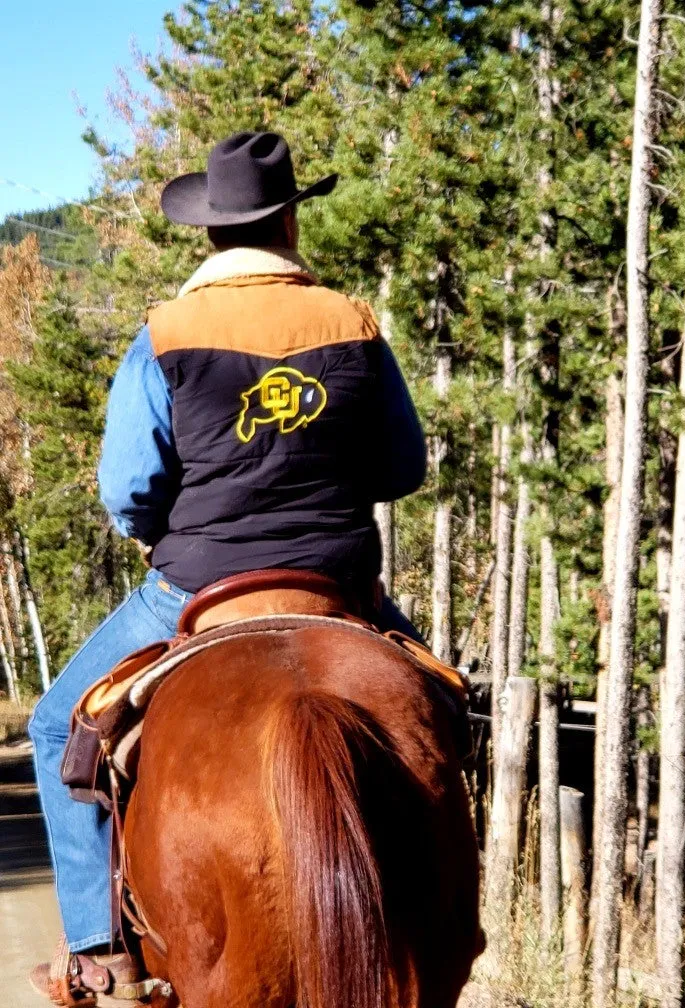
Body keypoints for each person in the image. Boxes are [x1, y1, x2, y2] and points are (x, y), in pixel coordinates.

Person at [29, 131, 426, 1006]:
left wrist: (152, 529)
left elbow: (129, 485)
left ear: (211, 229)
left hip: (194, 588)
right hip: (339, 584)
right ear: (289, 220)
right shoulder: (352, 323)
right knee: (440, 704)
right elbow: (403, 467)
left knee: (59, 727)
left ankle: (100, 955)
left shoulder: (165, 334)